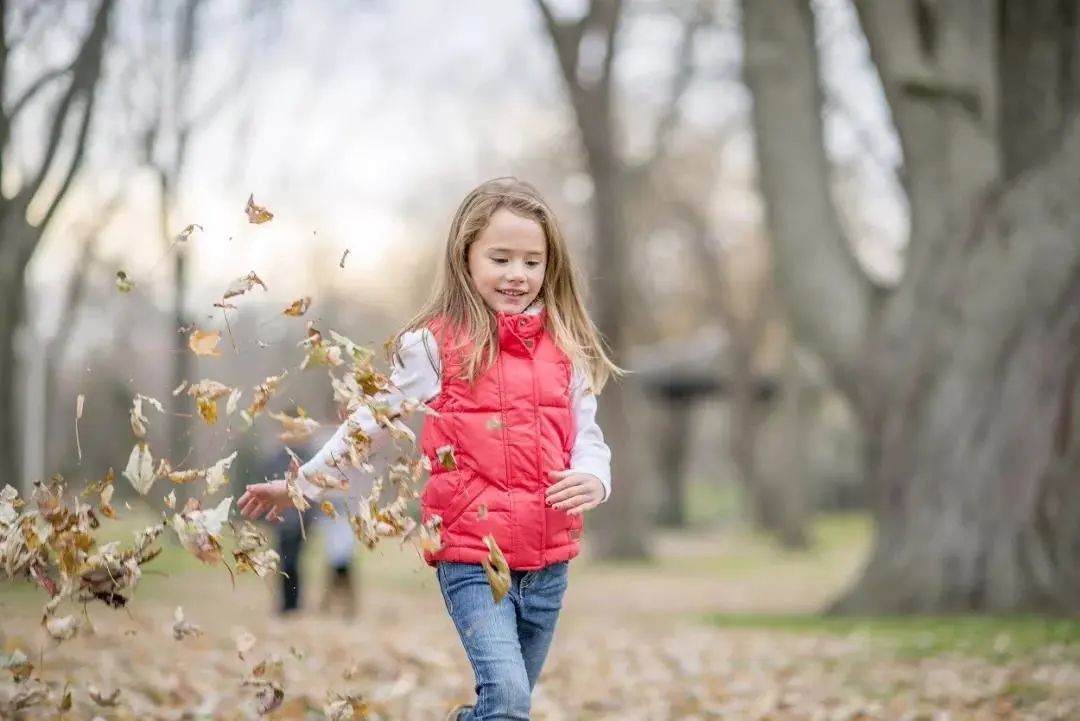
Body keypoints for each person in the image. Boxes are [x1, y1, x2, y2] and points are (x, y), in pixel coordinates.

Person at [239, 177, 616, 721]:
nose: (517, 274)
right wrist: (302, 483)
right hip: (470, 553)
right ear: (466, 258)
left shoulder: (566, 347)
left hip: (548, 561)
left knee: (506, 706)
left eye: (532, 262)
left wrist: (596, 478)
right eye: (501, 257)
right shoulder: (434, 346)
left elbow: (589, 436)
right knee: (508, 702)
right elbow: (368, 422)